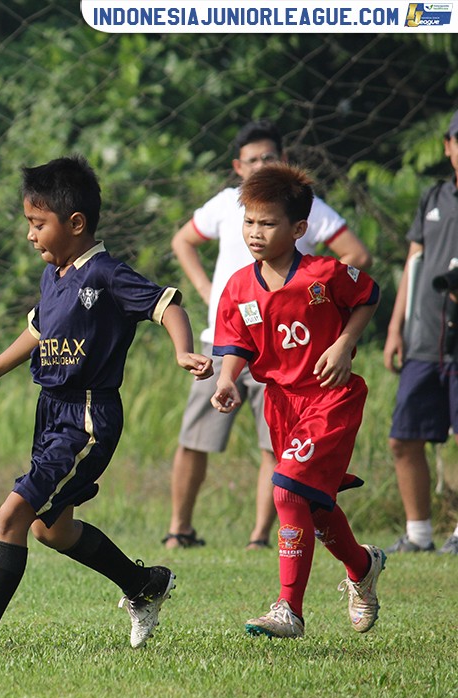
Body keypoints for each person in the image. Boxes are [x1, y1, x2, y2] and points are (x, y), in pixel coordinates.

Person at [0, 156, 214, 655]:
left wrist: (181, 349)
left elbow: (167, 304)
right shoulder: (55, 274)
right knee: (50, 529)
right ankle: (144, 584)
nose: (30, 235)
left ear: (76, 224)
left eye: (38, 224)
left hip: (87, 418)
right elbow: (38, 330)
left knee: (12, 516)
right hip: (52, 412)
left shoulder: (106, 274)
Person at [165, 119, 371, 551]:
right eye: (250, 222)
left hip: (301, 366)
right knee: (197, 439)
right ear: (238, 166)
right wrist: (207, 293)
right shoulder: (225, 208)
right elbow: (182, 241)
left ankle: (263, 539)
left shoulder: (309, 236)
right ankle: (178, 529)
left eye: (269, 157)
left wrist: (333, 325)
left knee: (281, 468)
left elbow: (358, 266)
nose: (256, 231)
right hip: (228, 342)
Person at [211, 163, 385, 639]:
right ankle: (363, 566)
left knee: (286, 489)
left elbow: (368, 294)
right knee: (312, 505)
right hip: (281, 404)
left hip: (329, 398)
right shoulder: (239, 287)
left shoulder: (323, 274)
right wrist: (227, 380)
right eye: (249, 221)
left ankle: (289, 609)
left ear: (299, 228)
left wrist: (344, 344)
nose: (255, 232)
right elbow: (237, 343)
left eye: (267, 223)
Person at [383, 109, 458, 556]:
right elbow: (413, 266)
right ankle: (419, 534)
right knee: (403, 435)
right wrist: (396, 328)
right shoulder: (433, 196)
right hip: (424, 340)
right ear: (448, 146)